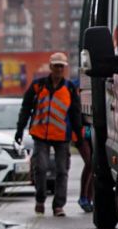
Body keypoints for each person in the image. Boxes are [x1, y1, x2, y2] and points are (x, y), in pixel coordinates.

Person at [15, 52, 82, 216]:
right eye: (56, 66)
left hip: (61, 136)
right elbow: (26, 109)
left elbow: (75, 113)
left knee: (62, 171)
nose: (59, 69)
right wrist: (19, 129)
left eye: (61, 66)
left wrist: (78, 134)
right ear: (51, 67)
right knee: (40, 168)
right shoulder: (38, 86)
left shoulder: (69, 88)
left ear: (64, 68)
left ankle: (58, 205)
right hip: (40, 135)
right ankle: (40, 199)